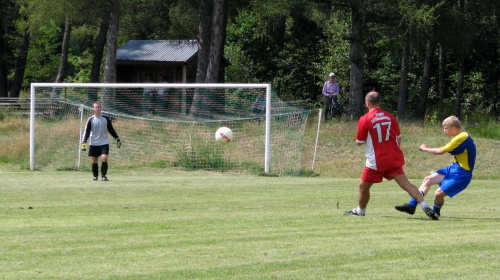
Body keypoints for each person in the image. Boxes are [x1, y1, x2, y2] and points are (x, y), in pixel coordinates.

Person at [344, 91, 438, 220]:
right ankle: (424, 205)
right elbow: (398, 138)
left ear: (367, 103)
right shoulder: (390, 117)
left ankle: (360, 211)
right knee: (406, 184)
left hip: (376, 160)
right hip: (393, 157)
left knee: (363, 187)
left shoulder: (365, 119)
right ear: (380, 102)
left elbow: (359, 142)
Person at [395, 116, 476, 218]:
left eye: (446, 128)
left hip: (463, 173)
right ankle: (411, 206)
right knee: (428, 179)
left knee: (438, 194)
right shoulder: (460, 136)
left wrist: (425, 149)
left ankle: (435, 212)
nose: (444, 130)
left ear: (454, 128)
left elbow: (441, 151)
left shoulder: (462, 137)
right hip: (454, 168)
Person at [81, 102, 121, 181]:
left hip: (104, 142)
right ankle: (95, 176)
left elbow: (111, 129)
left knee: (104, 157)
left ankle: (103, 176)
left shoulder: (105, 118)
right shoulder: (91, 119)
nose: (97, 108)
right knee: (94, 160)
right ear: (93, 108)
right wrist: (84, 142)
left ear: (101, 108)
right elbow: (87, 131)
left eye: (99, 107)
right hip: (94, 142)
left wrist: (117, 138)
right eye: (96, 107)